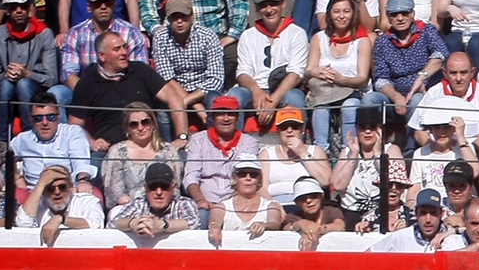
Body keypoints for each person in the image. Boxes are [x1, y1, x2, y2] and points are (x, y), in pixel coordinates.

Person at [71, 30, 188, 149]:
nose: (124, 52)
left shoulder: (141, 70)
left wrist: (182, 137)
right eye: (117, 49)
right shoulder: (87, 83)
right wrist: (92, 142)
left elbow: (174, 98)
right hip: (110, 151)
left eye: (125, 47)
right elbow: (75, 125)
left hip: (149, 147)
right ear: (102, 56)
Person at [0, 0, 70, 137]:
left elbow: (52, 78)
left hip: (36, 89)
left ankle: (29, 134)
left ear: (29, 9)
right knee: (5, 84)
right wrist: (7, 74)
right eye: (14, 7)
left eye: (23, 7)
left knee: (23, 84)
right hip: (5, 88)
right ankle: (2, 138)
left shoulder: (44, 34)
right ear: (8, 10)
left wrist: (28, 74)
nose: (19, 11)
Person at [230, 0, 309, 128]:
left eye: (273, 4)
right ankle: (234, 146)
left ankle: (298, 144)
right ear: (257, 9)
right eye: (263, 6)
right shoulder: (248, 35)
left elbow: (296, 73)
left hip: (284, 89)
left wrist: (272, 101)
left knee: (295, 98)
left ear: (283, 4)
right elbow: (242, 72)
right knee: (234, 96)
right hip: (255, 88)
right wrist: (256, 91)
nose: (269, 9)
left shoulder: (297, 33)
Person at [304, 0, 372, 155]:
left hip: (351, 90)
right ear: (330, 15)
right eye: (336, 12)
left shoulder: (362, 41)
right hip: (324, 91)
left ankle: (348, 152)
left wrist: (342, 79)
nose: (341, 16)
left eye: (346, 11)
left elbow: (362, 78)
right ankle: (321, 151)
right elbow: (308, 71)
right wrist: (317, 71)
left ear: (353, 14)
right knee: (320, 109)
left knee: (351, 107)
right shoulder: (319, 38)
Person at [182, 95, 261, 227]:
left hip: (235, 202)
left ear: (237, 117)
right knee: (200, 216)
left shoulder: (249, 142)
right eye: (220, 114)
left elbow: (247, 176)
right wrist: (200, 200)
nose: (225, 118)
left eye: (230, 114)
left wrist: (226, 205)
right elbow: (191, 176)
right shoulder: (198, 140)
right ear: (213, 117)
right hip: (205, 202)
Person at [371, 0, 448, 127]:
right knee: (369, 100)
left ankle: (411, 146)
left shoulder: (426, 31)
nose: (400, 18)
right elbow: (380, 79)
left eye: (404, 13)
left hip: (423, 91)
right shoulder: (382, 41)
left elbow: (441, 54)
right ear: (388, 17)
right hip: (394, 95)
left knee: (417, 100)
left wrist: (422, 77)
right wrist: (396, 97)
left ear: (412, 14)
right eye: (394, 14)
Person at [61, 0, 149, 91]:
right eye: (97, 2)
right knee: (58, 93)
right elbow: (68, 73)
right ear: (89, 7)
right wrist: (86, 93)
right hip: (85, 90)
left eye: (108, 2)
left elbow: (140, 72)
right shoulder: (76, 33)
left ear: (115, 4)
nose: (103, 7)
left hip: (123, 90)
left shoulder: (131, 33)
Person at [151, 0, 225, 125]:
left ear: (192, 16)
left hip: (204, 90)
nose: (179, 21)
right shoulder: (160, 38)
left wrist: (186, 101)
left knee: (215, 101)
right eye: (175, 17)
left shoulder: (208, 37)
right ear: (168, 19)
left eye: (184, 16)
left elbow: (215, 80)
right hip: (176, 90)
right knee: (163, 109)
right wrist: (196, 106)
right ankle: (169, 144)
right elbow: (167, 78)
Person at [331, 105, 406, 231]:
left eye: (372, 127)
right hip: (351, 213)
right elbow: (338, 186)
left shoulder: (391, 150)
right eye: (362, 127)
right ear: (356, 129)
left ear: (380, 129)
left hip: (381, 213)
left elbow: (395, 180)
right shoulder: (348, 152)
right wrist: (353, 156)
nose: (367, 131)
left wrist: (378, 154)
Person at [100, 101, 182, 211]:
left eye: (145, 122)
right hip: (128, 208)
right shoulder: (117, 151)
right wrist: (134, 207)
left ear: (153, 124)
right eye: (134, 124)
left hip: (163, 206)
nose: (140, 127)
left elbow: (174, 186)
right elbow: (114, 190)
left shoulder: (168, 150)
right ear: (127, 129)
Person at [408, 50, 479, 150]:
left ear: (472, 72)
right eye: (453, 73)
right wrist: (439, 152)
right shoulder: (433, 93)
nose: (458, 78)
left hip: (471, 153)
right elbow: (419, 132)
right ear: (445, 73)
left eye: (463, 72)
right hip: (437, 152)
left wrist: (469, 154)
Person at [8, 99, 95, 189]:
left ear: (59, 117)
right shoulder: (23, 139)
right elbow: (3, 156)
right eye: (38, 118)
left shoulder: (72, 133)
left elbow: (81, 163)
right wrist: (17, 178)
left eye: (51, 117)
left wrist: (83, 181)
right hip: (33, 195)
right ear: (31, 119)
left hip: (66, 190)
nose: (45, 123)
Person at [260, 106, 331, 206]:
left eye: (294, 126)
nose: (289, 130)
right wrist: (274, 206)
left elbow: (325, 181)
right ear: (278, 131)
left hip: (308, 205)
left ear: (302, 129)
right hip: (276, 205)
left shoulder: (315, 151)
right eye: (284, 127)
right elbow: (261, 188)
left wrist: (302, 153)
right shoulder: (267, 153)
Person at [16, 164, 105, 244]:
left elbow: (97, 225)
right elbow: (23, 223)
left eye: (62, 187)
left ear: (71, 188)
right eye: (51, 188)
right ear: (44, 191)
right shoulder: (38, 206)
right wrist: (41, 184)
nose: (57, 192)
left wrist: (61, 219)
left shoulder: (86, 201)